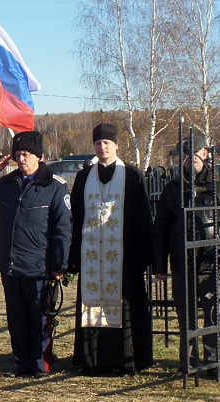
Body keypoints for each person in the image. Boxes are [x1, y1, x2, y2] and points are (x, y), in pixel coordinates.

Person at [67, 123, 154, 376]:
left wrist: (139, 258)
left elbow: (143, 220)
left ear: (116, 145)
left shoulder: (132, 176)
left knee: (126, 307)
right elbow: (75, 216)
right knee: (91, 306)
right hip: (92, 257)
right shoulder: (84, 177)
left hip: (123, 261)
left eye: (106, 142)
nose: (102, 146)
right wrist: (73, 258)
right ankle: (91, 361)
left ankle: (126, 361)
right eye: (97, 143)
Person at [0, 131, 71, 378]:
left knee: (40, 317)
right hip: (11, 264)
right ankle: (20, 361)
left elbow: (62, 229)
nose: (22, 159)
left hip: (39, 266)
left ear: (40, 157)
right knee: (16, 317)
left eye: (27, 154)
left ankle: (40, 363)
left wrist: (59, 265)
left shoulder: (54, 187)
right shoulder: (7, 184)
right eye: (18, 154)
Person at [152, 135, 220, 378]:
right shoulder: (172, 189)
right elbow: (160, 229)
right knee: (186, 318)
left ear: (205, 153)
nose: (191, 157)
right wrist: (159, 265)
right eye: (186, 153)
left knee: (213, 314)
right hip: (181, 262)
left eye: (196, 152)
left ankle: (214, 363)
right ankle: (189, 364)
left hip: (211, 262)